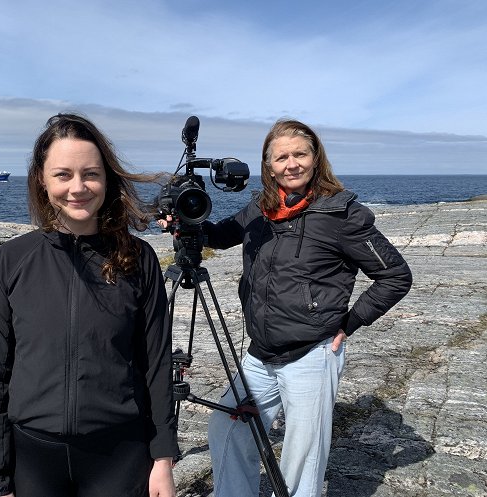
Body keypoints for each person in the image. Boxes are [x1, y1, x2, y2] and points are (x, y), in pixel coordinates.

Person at [163, 118, 412, 497]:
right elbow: (222, 235)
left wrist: (351, 322)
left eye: (300, 154)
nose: (291, 164)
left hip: (311, 354)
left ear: (316, 159)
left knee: (301, 456)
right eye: (281, 157)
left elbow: (395, 275)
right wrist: (188, 223)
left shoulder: (340, 214)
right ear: (268, 164)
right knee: (227, 426)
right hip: (260, 355)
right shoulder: (261, 208)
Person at [0, 113, 178, 497]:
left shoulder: (139, 259)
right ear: (42, 179)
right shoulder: (11, 260)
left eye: (91, 174)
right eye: (63, 174)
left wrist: (163, 459)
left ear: (107, 178)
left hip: (120, 455)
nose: (78, 187)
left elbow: (156, 364)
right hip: (33, 456)